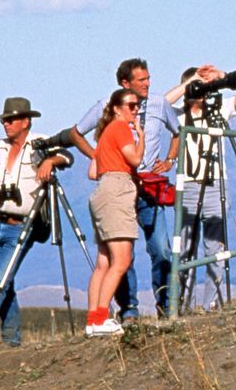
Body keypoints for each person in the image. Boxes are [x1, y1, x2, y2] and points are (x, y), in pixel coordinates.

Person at [73, 59, 177, 320]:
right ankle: (126, 310)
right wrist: (99, 156)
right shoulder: (112, 113)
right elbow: (76, 133)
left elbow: (178, 132)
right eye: (141, 80)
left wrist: (169, 160)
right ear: (125, 84)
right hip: (121, 186)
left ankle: (165, 304)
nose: (147, 84)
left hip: (147, 185)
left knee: (160, 249)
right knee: (121, 257)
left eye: (148, 78)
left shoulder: (159, 104)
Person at [0, 97, 69, 348]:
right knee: (3, 283)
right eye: (4, 120)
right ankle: (12, 340)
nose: (6, 124)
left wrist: (48, 161)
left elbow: (66, 156)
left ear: (25, 121)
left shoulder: (39, 144)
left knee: (0, 283)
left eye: (11, 119)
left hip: (20, 226)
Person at [167, 64, 236, 306]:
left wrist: (221, 78)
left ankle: (212, 303)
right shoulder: (176, 115)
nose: (203, 93)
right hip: (187, 184)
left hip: (215, 184)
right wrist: (190, 82)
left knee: (215, 250)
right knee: (185, 248)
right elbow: (159, 105)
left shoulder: (218, 109)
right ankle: (180, 303)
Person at [83, 88, 143, 336]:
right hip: (117, 189)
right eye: (131, 105)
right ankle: (100, 319)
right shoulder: (120, 129)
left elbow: (92, 172)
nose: (136, 110)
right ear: (118, 108)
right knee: (122, 259)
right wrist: (141, 136)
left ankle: (92, 319)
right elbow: (135, 160)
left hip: (102, 191)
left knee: (103, 263)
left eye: (138, 105)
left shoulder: (105, 134)